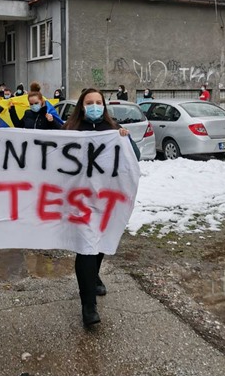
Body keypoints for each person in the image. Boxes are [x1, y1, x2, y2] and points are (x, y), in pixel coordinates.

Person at [63, 88, 132, 326]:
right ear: (82, 106)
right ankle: (88, 305)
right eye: (89, 102)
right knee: (86, 246)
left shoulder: (113, 131)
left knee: (99, 243)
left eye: (98, 102)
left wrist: (126, 139)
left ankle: (94, 276)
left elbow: (134, 160)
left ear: (104, 106)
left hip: (106, 200)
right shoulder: (69, 132)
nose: (94, 106)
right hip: (79, 201)